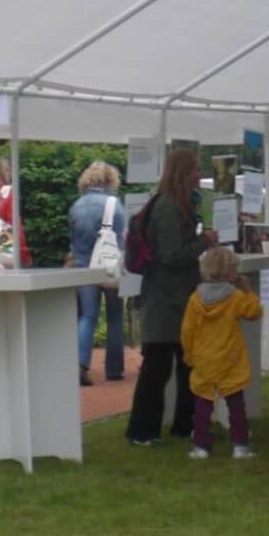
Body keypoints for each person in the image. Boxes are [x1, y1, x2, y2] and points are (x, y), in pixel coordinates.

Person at [126, 148, 215, 446]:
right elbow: (170, 255)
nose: (199, 175)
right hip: (166, 299)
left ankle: (183, 425)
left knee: (184, 364)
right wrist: (204, 242)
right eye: (196, 170)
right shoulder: (168, 208)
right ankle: (142, 431)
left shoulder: (178, 204)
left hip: (176, 298)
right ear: (182, 172)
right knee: (157, 368)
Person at [179, 245, 264, 460]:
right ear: (229, 273)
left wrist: (189, 355)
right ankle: (240, 445)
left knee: (202, 405)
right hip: (230, 358)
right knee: (236, 405)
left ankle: (201, 446)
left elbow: (187, 331)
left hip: (204, 358)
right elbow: (254, 312)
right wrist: (249, 291)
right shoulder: (235, 297)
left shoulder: (195, 299)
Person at [67, 160, 126, 387]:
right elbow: (121, 238)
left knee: (88, 316)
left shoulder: (77, 205)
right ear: (111, 180)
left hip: (83, 266)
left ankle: (80, 364)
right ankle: (114, 369)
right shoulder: (115, 204)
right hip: (109, 265)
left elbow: (73, 240)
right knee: (114, 317)